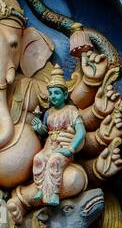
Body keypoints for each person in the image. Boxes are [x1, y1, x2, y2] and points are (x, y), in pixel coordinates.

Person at [30, 69, 85, 207]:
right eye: (50, 93)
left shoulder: (71, 110)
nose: (53, 96)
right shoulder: (48, 112)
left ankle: (54, 193)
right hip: (49, 145)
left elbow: (81, 132)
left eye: (57, 93)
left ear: (65, 94)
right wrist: (39, 128)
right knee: (38, 159)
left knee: (55, 161)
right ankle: (41, 189)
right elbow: (45, 132)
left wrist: (71, 149)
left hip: (63, 146)